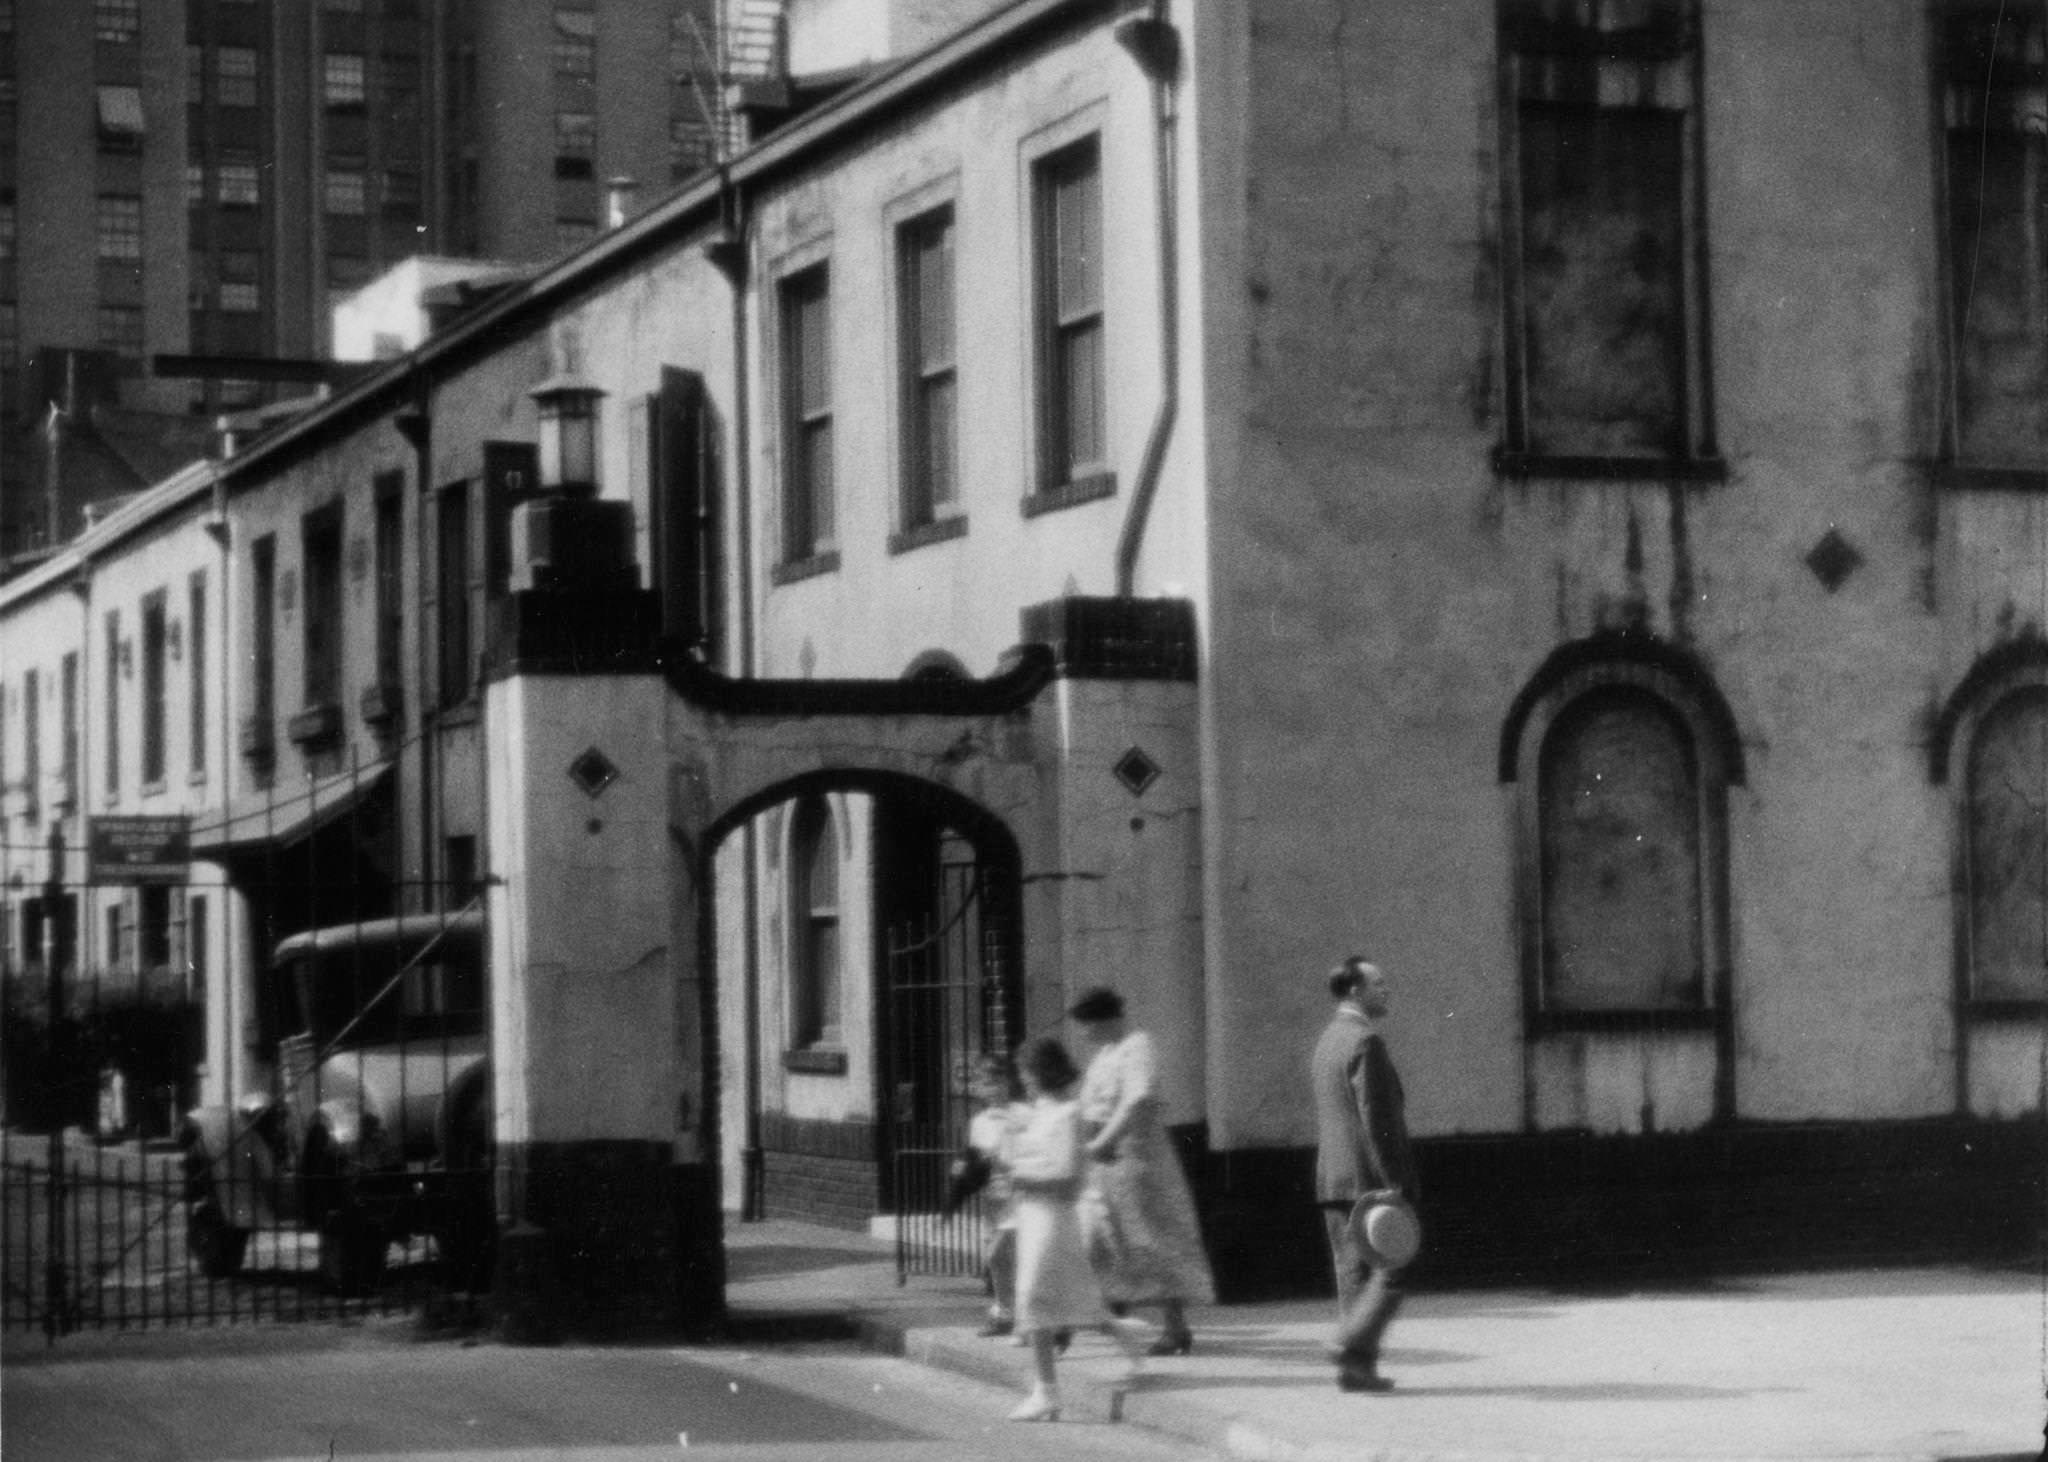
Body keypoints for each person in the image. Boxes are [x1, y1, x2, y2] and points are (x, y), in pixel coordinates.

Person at [1004, 1036, 1145, 1422]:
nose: (1024, 1080)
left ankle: (1045, 1392)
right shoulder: (1033, 1114)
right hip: (1031, 1215)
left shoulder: (1069, 1114)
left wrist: (1024, 1179)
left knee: (1034, 1296)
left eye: (1027, 1072)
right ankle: (1125, 1334)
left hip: (1054, 1215)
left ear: (1043, 1071)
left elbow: (1068, 1178)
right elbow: (1021, 1161)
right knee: (1069, 1295)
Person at [1069, 987, 1214, 1356]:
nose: (1084, 1034)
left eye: (1088, 1024)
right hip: (1105, 1162)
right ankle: (1110, 1315)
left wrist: (1104, 1139)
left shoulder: (1137, 1046)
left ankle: (1175, 1328)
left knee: (1154, 1240)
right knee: (1103, 1237)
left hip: (1138, 1159)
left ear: (1105, 1018)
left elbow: (1138, 1098)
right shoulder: (1104, 1054)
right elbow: (1088, 1105)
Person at [1310, 956, 1418, 1393]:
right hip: (1367, 1178)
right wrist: (1396, 1182)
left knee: (1353, 1273)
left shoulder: (1328, 1039)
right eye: (1379, 983)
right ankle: (1349, 1343)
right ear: (1355, 990)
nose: (1387, 989)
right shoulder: (1365, 1041)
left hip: (1333, 1175)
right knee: (1394, 1269)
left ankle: (1357, 1368)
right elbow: (1380, 1119)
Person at [958, 1051, 1028, 1339]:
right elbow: (974, 1160)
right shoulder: (979, 1122)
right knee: (996, 1257)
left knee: (1013, 1253)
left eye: (998, 1080)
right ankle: (1003, 1312)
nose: (993, 1088)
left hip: (1020, 1192)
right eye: (987, 1082)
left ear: (1009, 1082)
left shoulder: (1023, 1114)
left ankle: (1024, 1317)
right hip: (993, 1195)